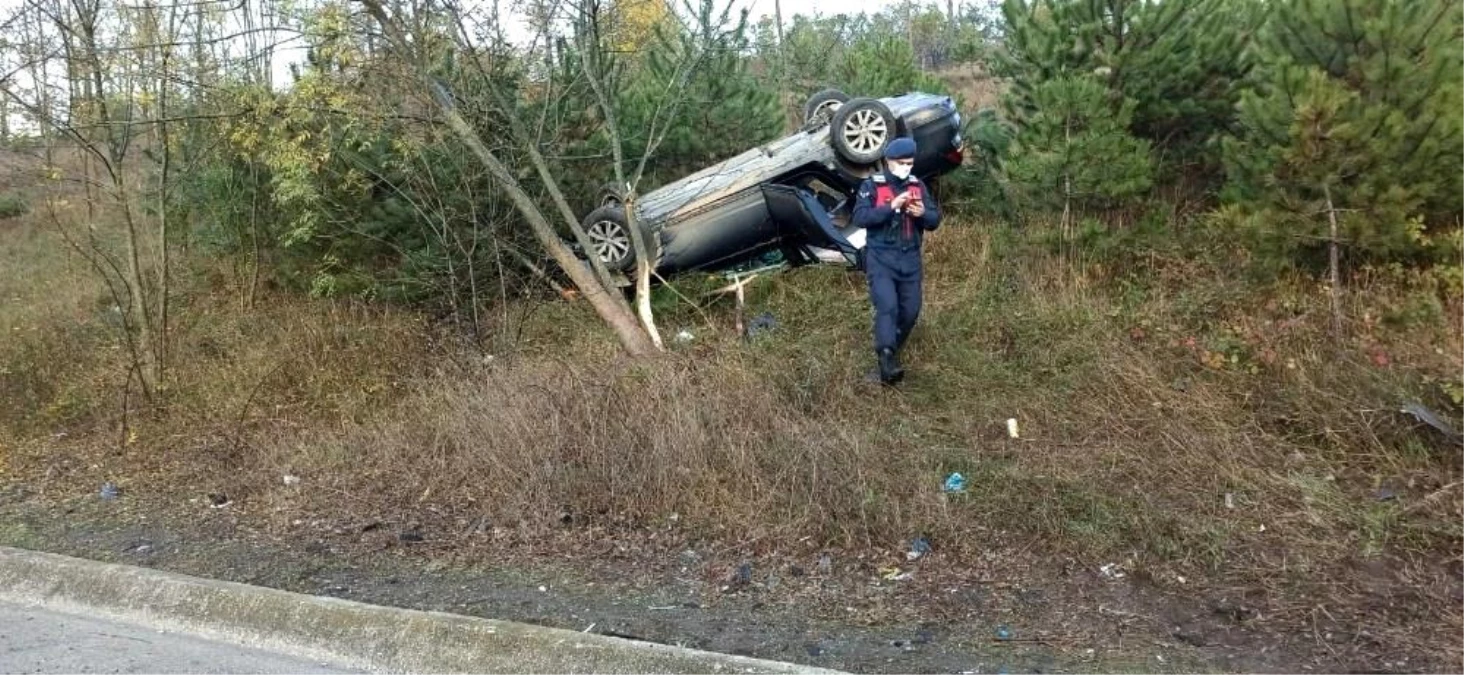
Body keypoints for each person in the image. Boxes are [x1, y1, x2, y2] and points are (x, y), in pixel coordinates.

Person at [851, 136, 942, 384]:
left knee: (911, 311)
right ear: (889, 162)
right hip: (881, 258)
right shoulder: (872, 186)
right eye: (901, 162)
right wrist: (891, 207)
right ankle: (886, 360)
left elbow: (934, 220)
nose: (906, 167)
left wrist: (923, 213)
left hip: (910, 260)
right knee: (888, 306)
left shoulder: (917, 186)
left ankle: (891, 350)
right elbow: (860, 217)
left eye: (910, 162)